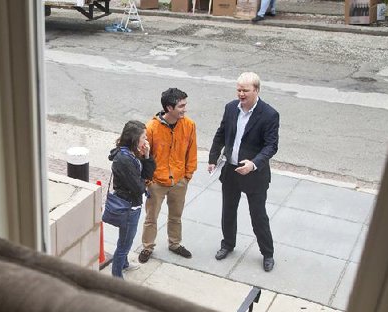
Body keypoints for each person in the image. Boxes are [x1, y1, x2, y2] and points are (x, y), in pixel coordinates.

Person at [208, 71, 279, 272]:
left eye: (245, 90)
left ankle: (267, 253)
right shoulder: (231, 108)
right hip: (230, 171)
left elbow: (271, 146)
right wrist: (213, 158)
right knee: (228, 211)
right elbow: (221, 134)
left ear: (256, 90)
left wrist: (254, 163)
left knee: (258, 215)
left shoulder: (269, 114)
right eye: (238, 89)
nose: (241, 94)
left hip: (254, 175)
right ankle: (227, 244)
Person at [138, 88, 197, 264]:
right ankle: (147, 247)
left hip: (179, 180)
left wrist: (187, 175)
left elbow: (191, 152)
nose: (184, 109)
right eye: (181, 106)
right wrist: (149, 180)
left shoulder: (189, 125)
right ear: (169, 108)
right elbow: (143, 156)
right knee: (151, 218)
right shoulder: (151, 128)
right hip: (157, 182)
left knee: (176, 216)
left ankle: (175, 244)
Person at [108, 120, 156, 278]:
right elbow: (139, 187)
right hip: (128, 206)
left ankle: (125, 263)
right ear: (134, 138)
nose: (146, 141)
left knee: (126, 238)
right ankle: (116, 276)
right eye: (144, 137)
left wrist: (147, 155)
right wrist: (144, 184)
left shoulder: (131, 153)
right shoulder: (124, 159)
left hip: (132, 204)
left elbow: (146, 175)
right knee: (124, 243)